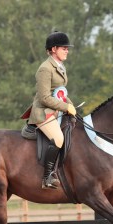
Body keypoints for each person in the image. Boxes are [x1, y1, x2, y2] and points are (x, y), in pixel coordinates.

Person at [26, 31, 77, 189]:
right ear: (54, 49)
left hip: (56, 110)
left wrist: (71, 105)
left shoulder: (60, 67)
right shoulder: (45, 69)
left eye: (67, 48)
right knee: (59, 138)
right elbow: (44, 98)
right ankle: (47, 177)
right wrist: (65, 107)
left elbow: (60, 92)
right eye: (64, 48)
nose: (67, 50)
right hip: (43, 112)